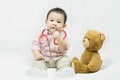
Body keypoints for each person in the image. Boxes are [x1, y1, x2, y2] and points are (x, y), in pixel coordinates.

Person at [26, 7, 75, 78]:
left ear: (63, 26)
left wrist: (59, 38)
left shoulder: (63, 36)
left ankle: (64, 70)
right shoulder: (42, 35)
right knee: (38, 62)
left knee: (65, 59)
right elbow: (35, 45)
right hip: (44, 59)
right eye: (52, 20)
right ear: (46, 22)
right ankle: (37, 70)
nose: (54, 23)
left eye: (58, 22)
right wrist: (36, 53)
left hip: (59, 58)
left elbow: (64, 49)